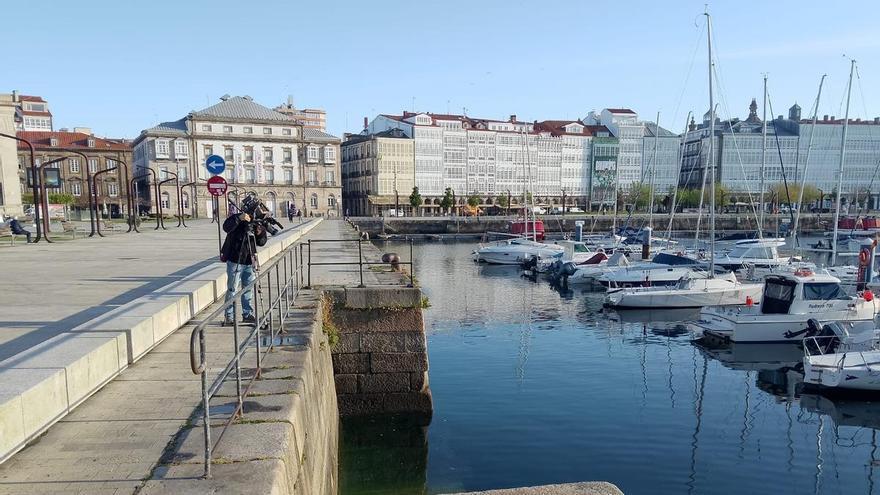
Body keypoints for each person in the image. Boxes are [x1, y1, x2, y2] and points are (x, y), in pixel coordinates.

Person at [221, 212, 267, 325]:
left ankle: (247, 314)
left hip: (249, 260)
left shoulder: (257, 222)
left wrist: (259, 232)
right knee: (232, 289)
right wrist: (239, 218)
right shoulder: (237, 217)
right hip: (235, 259)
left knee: (248, 288)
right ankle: (229, 316)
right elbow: (226, 227)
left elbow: (261, 242)